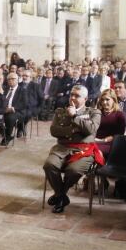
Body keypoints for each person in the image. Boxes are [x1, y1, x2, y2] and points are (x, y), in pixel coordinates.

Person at [43, 85, 102, 214]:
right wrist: (75, 130)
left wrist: (75, 116)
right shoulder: (60, 111)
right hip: (62, 148)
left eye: (77, 96)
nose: (73, 98)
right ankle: (62, 196)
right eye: (72, 95)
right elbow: (54, 131)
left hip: (84, 150)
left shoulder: (94, 112)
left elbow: (91, 130)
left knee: (73, 170)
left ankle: (59, 195)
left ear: (85, 99)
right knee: (49, 165)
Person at [94, 89, 126, 160]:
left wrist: (102, 140)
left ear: (114, 100)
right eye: (102, 100)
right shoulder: (97, 113)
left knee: (95, 151)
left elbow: (119, 134)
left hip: (110, 143)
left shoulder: (119, 115)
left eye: (107, 99)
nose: (104, 102)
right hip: (94, 141)